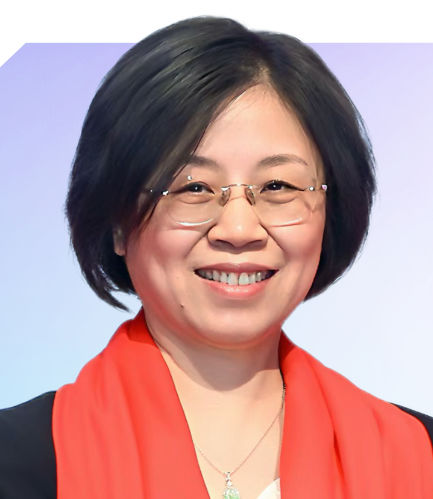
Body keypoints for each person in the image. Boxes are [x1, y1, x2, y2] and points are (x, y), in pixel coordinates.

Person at [0, 15, 432, 499]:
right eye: (193, 188)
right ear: (117, 221)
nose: (239, 230)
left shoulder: (417, 457)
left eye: (278, 186)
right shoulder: (18, 464)